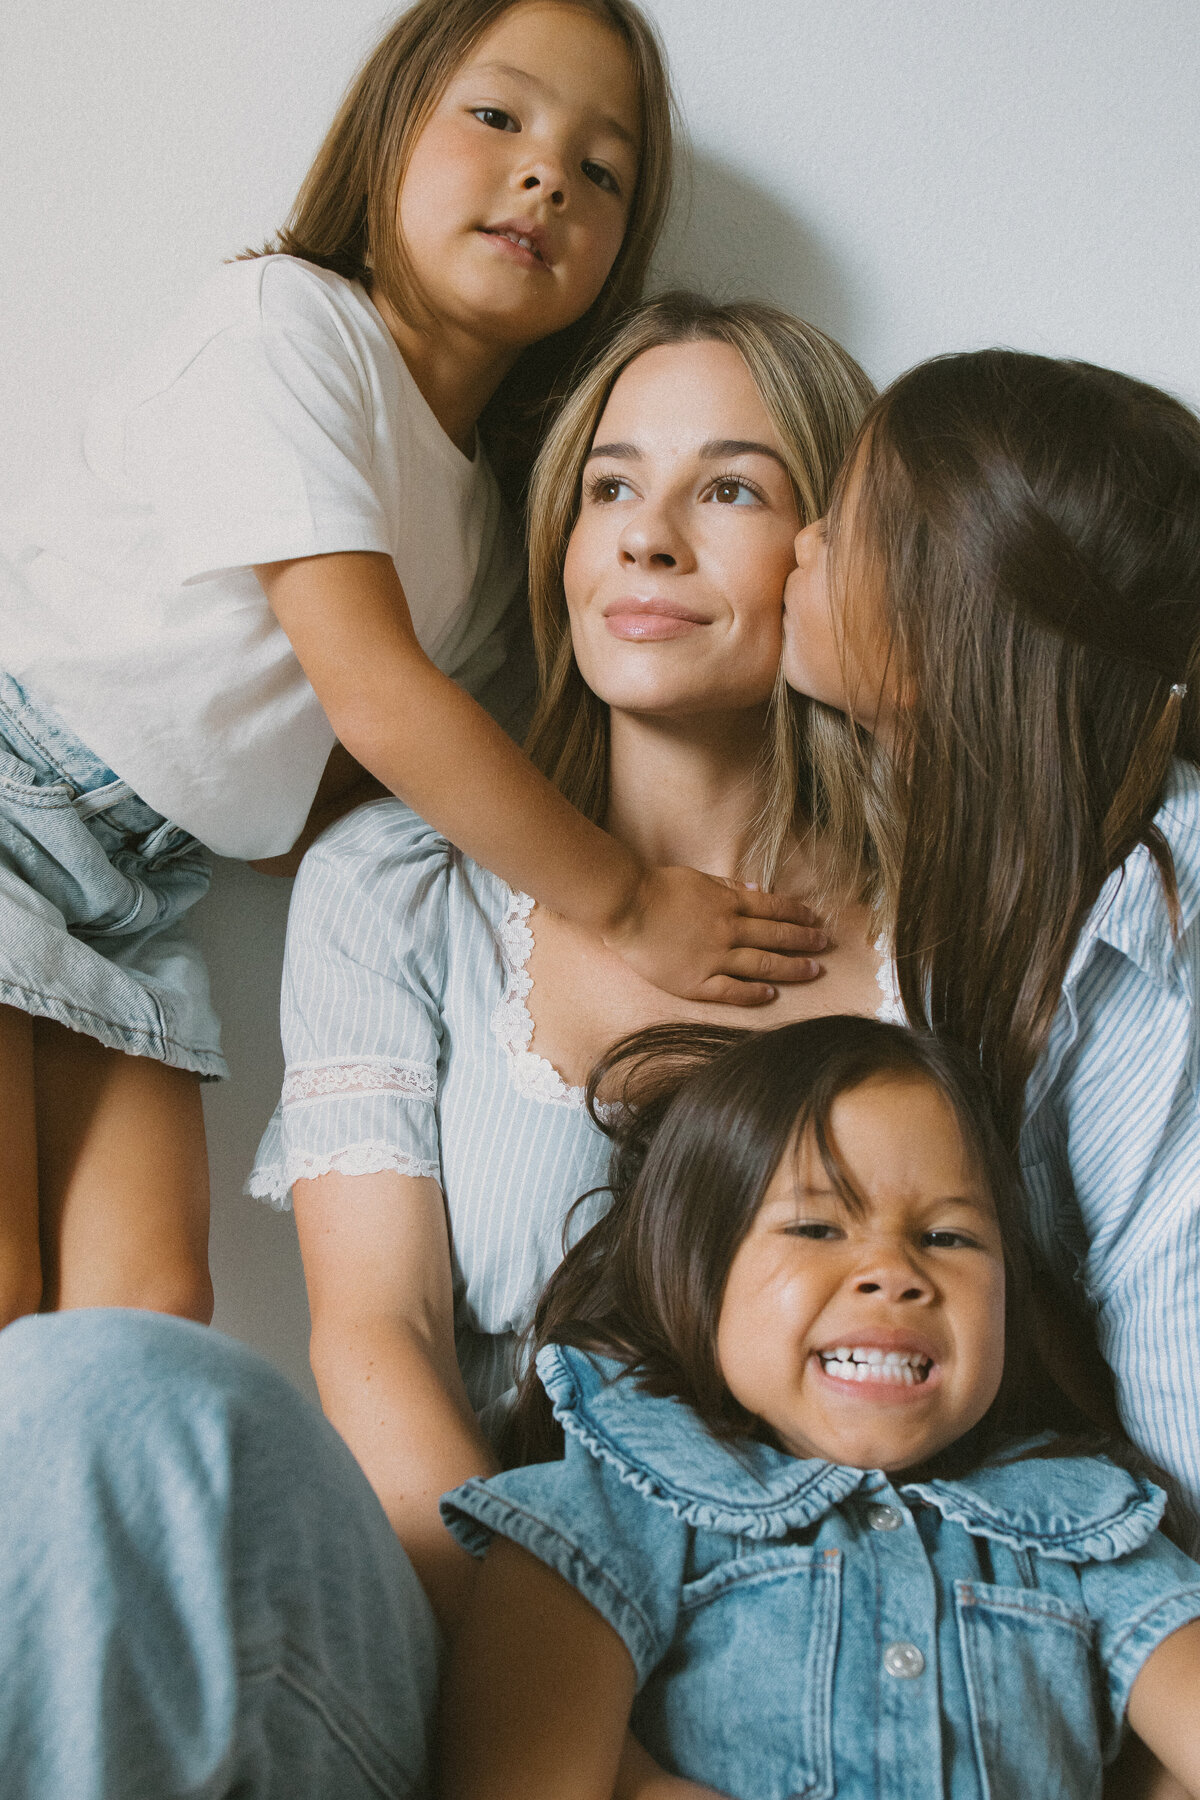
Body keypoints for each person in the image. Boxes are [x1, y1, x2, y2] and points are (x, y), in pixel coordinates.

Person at [0, 0, 817, 1334]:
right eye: (498, 117)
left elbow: (324, 792)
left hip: (140, 892)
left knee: (141, 1328)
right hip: (11, 792)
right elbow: (377, 696)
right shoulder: (288, 328)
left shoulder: (493, 526)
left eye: (601, 171)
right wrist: (621, 898)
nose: (547, 172)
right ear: (386, 140)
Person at [248, 291, 878, 1627]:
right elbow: (380, 1335)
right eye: (609, 487)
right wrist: (536, 1683)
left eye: (730, 490)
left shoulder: (967, 917)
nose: (646, 539)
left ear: (835, 555)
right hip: (486, 1603)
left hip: (860, 1628)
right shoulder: (398, 890)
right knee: (114, 1406)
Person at [438, 1015, 1200, 1800]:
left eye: (947, 1236)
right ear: (697, 1270)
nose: (892, 1273)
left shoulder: (1086, 1525)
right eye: (816, 1226)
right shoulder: (614, 1505)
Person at [778, 350, 1200, 1551]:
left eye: (843, 522)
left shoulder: (1154, 918)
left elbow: (1177, 1323)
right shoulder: (957, 880)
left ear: (933, 631)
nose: (803, 541)